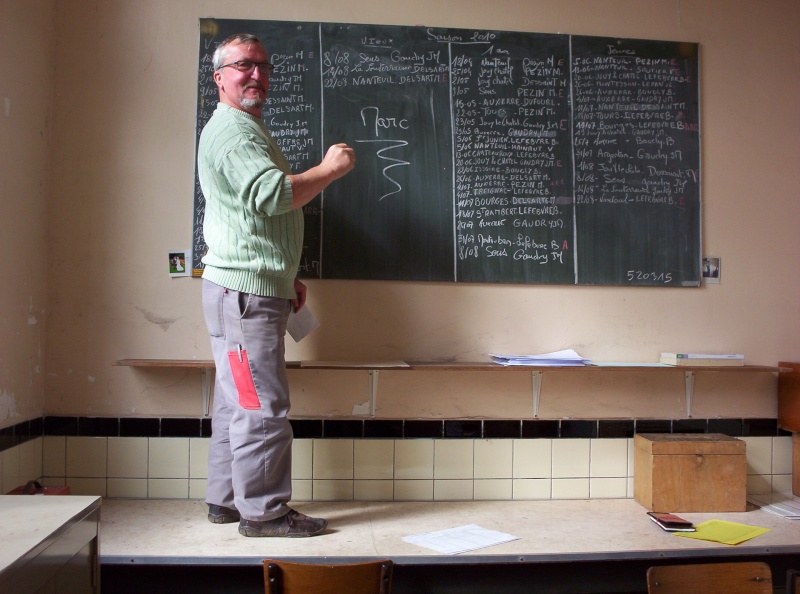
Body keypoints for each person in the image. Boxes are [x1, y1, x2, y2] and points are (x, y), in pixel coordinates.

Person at [197, 33, 355, 538]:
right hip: (244, 299)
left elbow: (252, 218)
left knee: (236, 399)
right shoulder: (235, 133)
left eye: (264, 67)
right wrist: (329, 170)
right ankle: (263, 513)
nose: (257, 75)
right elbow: (270, 197)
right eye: (244, 66)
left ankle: (226, 502)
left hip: (244, 291)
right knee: (259, 404)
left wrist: (285, 278)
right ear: (219, 76)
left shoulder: (242, 127)